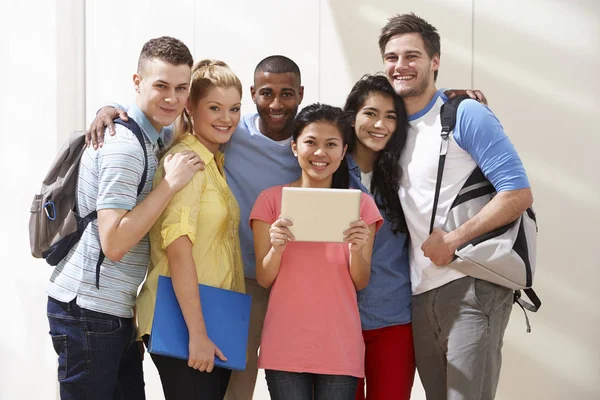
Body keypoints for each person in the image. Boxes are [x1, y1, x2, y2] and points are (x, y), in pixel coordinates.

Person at [86, 54, 486, 399]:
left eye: (287, 94)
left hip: (255, 301)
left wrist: (452, 100)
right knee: (232, 392)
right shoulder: (217, 145)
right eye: (264, 94)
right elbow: (180, 97)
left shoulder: (340, 173)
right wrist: (115, 109)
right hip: (232, 294)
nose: (273, 104)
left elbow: (392, 123)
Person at [379, 13, 534, 400]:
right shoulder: (390, 127)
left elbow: (517, 193)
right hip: (420, 292)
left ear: (435, 61)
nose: (401, 66)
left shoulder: (465, 114)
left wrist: (453, 240)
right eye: (392, 57)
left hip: (471, 284)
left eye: (412, 55)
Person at [46, 36, 202, 400]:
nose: (172, 98)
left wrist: (109, 106)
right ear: (137, 82)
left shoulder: (152, 134)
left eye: (181, 88)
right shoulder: (126, 147)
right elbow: (114, 243)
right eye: (161, 86)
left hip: (110, 311)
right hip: (88, 310)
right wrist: (171, 185)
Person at [250, 103, 383, 400]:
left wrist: (357, 249)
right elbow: (263, 277)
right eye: (311, 142)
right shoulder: (270, 201)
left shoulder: (360, 205)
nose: (320, 153)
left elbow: (360, 281)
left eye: (331, 144)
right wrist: (277, 248)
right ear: (295, 147)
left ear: (344, 150)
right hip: (285, 344)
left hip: (339, 345)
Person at [135, 59, 245, 400]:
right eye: (214, 108)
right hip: (185, 321)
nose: (226, 118)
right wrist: (197, 333)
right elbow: (178, 250)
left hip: (216, 317)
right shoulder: (186, 163)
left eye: (235, 108)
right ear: (190, 109)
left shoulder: (214, 162)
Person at [343, 74, 414, 400]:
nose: (380, 124)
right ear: (353, 116)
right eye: (371, 113)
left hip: (393, 318)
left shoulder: (408, 173)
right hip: (337, 319)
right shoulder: (327, 166)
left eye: (390, 117)